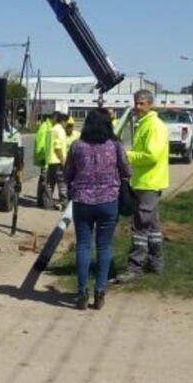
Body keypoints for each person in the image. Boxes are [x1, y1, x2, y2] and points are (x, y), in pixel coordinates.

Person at [64, 109, 130, 310]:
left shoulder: (77, 146)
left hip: (82, 201)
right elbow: (126, 170)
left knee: (83, 245)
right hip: (109, 201)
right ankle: (100, 292)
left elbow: (67, 173)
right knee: (104, 246)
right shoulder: (115, 145)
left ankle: (82, 291)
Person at [119, 90, 169, 281]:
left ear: (150, 104)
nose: (138, 107)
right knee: (153, 225)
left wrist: (128, 156)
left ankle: (134, 267)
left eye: (141, 103)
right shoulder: (143, 124)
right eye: (136, 103)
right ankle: (156, 262)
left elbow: (151, 155)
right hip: (142, 181)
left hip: (150, 181)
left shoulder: (154, 126)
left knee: (140, 225)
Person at [43, 112, 69, 209]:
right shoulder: (60, 131)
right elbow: (57, 147)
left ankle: (47, 203)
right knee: (62, 184)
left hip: (50, 161)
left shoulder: (50, 130)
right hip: (58, 161)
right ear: (62, 121)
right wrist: (63, 160)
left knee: (49, 184)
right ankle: (64, 203)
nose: (66, 125)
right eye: (66, 122)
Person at [34, 113, 52, 206]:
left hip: (46, 158)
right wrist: (42, 157)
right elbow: (40, 144)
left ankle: (41, 201)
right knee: (44, 180)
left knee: (43, 180)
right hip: (44, 158)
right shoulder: (45, 127)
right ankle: (42, 202)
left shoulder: (48, 126)